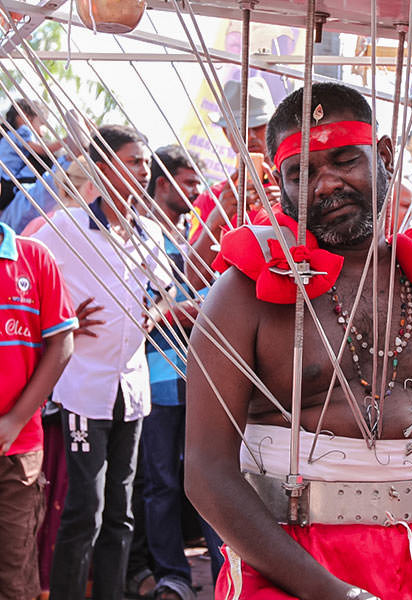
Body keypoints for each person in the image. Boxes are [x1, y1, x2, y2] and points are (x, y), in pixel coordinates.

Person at [185, 83, 412, 600]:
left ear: (384, 155)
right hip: (294, 566)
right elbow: (205, 469)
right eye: (300, 173)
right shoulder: (245, 292)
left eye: (344, 160)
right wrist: (334, 594)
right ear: (279, 186)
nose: (326, 183)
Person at [33, 125, 173, 600]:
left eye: (145, 161)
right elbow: (24, 280)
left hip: (132, 388)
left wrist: (152, 312)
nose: (144, 169)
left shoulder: (148, 231)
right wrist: (63, 319)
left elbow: (165, 291)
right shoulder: (64, 227)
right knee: (84, 510)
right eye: (134, 160)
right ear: (102, 167)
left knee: (121, 512)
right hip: (82, 387)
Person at [141, 145, 223, 600]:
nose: (196, 191)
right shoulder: (141, 234)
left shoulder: (188, 231)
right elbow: (144, 308)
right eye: (188, 183)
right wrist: (180, 311)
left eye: (197, 182)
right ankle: (172, 576)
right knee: (161, 483)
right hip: (154, 376)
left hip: (200, 377)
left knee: (209, 477)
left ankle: (222, 571)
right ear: (162, 183)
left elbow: (204, 289)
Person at [0, 219, 77, 600]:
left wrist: (14, 421)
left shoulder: (34, 256)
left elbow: (62, 341)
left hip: (17, 449)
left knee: (14, 572)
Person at [185, 78, 280, 290]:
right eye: (240, 128)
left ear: (274, 128)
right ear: (226, 134)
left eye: (259, 126)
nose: (251, 136)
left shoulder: (297, 188)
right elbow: (193, 280)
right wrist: (217, 218)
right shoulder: (213, 199)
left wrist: (288, 209)